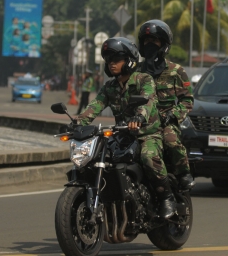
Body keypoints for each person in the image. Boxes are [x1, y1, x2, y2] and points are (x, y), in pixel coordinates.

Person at [75, 37, 177, 219]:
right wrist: (78, 122)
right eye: (108, 60)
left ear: (129, 61)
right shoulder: (109, 87)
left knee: (148, 157)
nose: (111, 64)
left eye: (116, 60)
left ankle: (166, 198)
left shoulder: (143, 79)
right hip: (122, 136)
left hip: (148, 134)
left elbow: (148, 100)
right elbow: (95, 106)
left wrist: (139, 116)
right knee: (97, 159)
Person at [137, 20, 195, 190]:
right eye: (147, 42)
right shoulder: (136, 71)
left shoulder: (176, 70)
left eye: (154, 42)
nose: (150, 45)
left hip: (165, 121)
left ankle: (183, 172)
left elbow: (187, 100)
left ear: (163, 44)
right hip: (142, 122)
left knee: (170, 140)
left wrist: (174, 115)